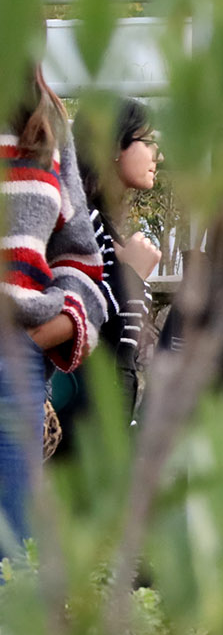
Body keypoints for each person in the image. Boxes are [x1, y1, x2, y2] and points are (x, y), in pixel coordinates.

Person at [0, 66, 108, 549]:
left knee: (11, 567)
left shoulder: (44, 122)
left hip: (14, 367)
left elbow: (80, 260)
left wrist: (45, 334)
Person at [56, 98, 161, 445]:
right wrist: (131, 274)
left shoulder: (108, 229)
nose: (156, 155)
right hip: (82, 419)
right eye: (147, 141)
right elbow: (83, 316)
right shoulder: (79, 227)